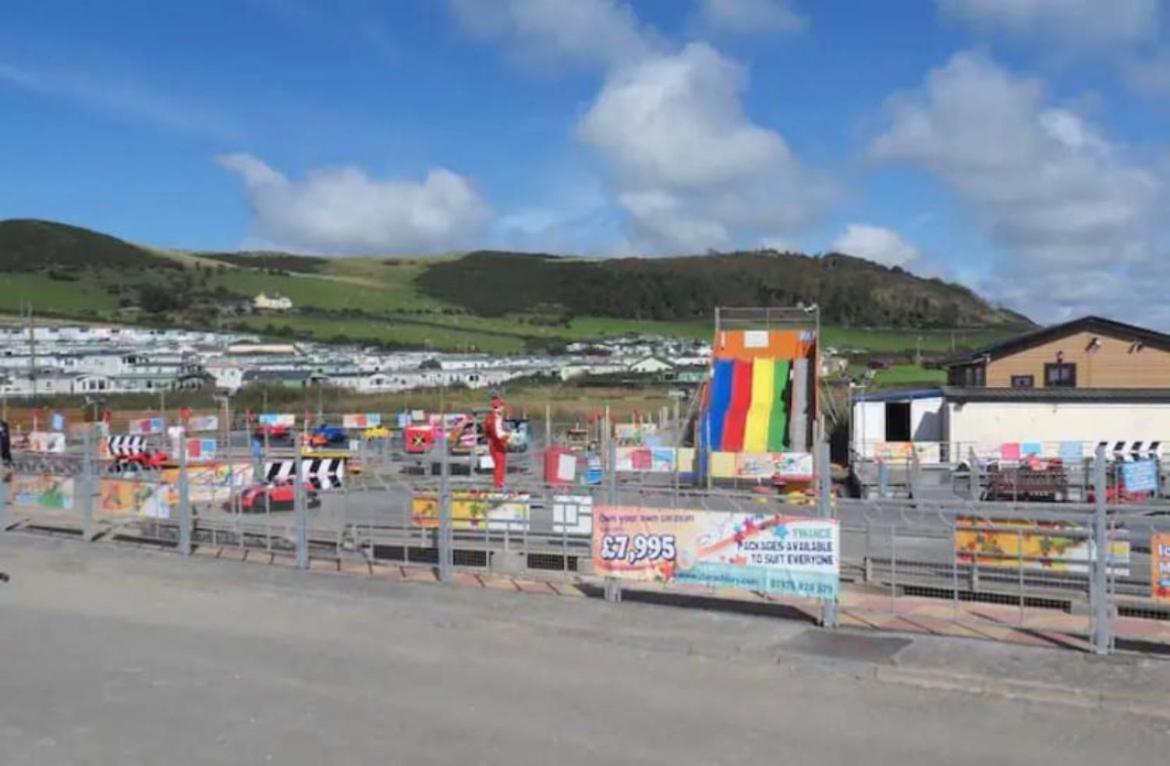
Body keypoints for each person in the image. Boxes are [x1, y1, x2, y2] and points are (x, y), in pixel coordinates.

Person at [483, 396, 509, 490]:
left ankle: (498, 484)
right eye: (502, 406)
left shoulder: (489, 418)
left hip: (492, 443)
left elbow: (487, 431)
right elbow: (498, 433)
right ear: (500, 406)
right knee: (500, 465)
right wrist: (508, 436)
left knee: (498, 465)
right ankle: (498, 485)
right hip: (498, 444)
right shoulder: (496, 418)